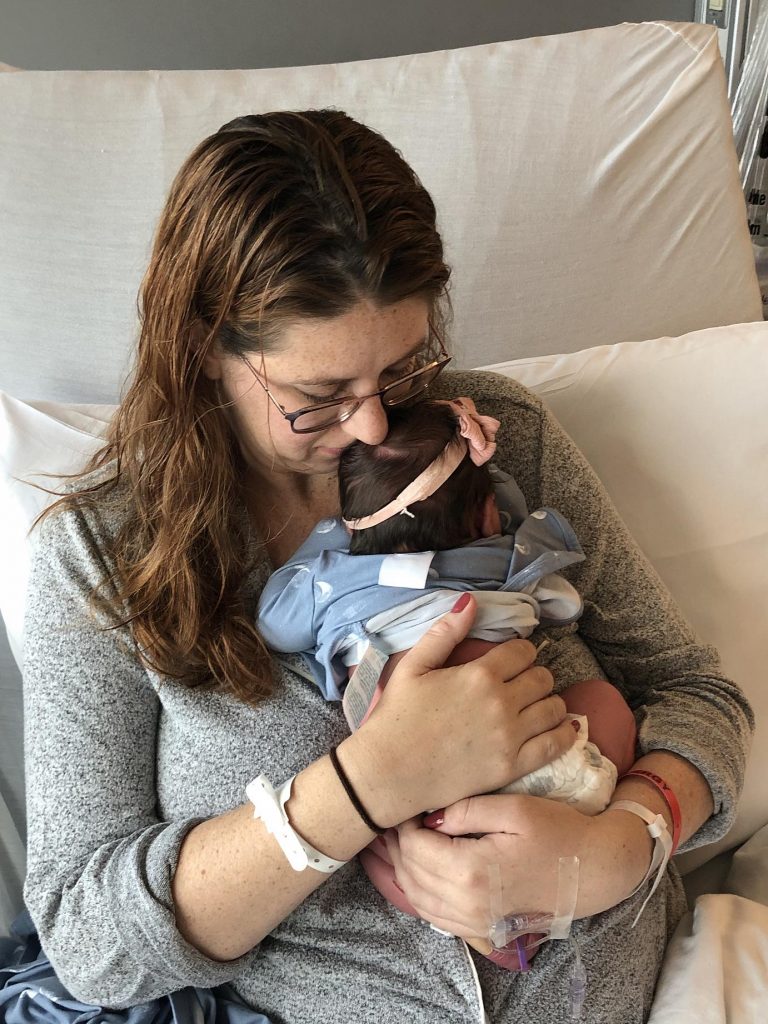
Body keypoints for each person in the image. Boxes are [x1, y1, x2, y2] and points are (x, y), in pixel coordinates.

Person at [20, 109, 753, 1024]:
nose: (372, 426)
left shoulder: (500, 437)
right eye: (317, 396)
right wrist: (367, 784)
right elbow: (87, 941)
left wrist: (626, 840)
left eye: (403, 372)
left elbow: (696, 692)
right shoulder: (98, 559)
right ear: (206, 347)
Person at [257, 396, 639, 970]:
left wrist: (329, 541)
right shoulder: (500, 555)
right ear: (486, 515)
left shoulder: (331, 584)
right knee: (605, 703)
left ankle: (487, 927)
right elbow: (510, 519)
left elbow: (274, 624)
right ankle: (522, 912)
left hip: (417, 798)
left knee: (381, 852)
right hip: (542, 762)